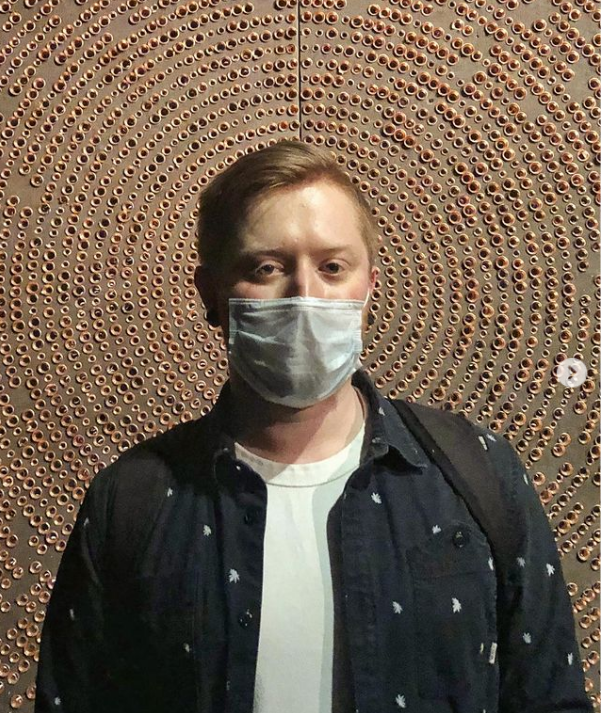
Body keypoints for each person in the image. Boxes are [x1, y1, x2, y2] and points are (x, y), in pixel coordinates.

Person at [35, 140, 592, 713]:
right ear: (211, 294)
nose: (304, 294)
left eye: (332, 268)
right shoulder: (132, 502)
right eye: (266, 268)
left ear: (368, 287)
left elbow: (549, 697)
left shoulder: (476, 474)